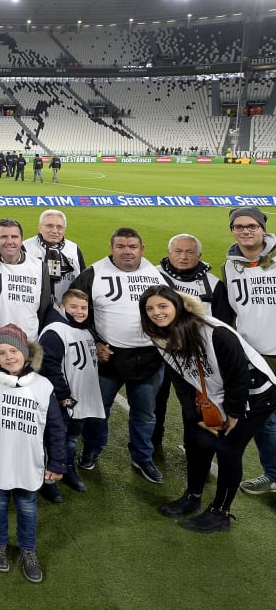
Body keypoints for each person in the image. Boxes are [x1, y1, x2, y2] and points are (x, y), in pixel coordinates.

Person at [139, 285, 276, 532]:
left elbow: (239, 376)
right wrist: (195, 416)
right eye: (149, 308)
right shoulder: (160, 334)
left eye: (162, 306)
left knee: (227, 449)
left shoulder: (215, 332)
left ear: (177, 306)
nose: (156, 313)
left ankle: (221, 512)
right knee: (196, 441)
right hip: (212, 393)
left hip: (256, 393)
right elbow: (181, 379)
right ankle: (193, 496)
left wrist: (234, 413)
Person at [69, 227, 170, 483]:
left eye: (132, 247)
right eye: (121, 246)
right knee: (97, 410)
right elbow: (73, 312)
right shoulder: (93, 273)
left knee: (145, 413)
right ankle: (92, 448)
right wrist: (94, 343)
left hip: (149, 358)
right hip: (108, 358)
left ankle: (142, 456)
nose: (127, 251)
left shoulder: (156, 275)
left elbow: (173, 313)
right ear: (111, 248)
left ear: (142, 249)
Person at [0, 324, 65, 582]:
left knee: (27, 506)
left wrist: (58, 462)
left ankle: (28, 550)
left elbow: (56, 429)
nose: (8, 357)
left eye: (14, 350)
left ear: (26, 353)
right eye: (1, 353)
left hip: (29, 461)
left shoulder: (43, 385)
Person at [154, 233, 232, 449]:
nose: (184, 256)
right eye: (178, 251)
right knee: (156, 402)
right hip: (158, 354)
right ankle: (153, 445)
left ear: (199, 255)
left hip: (195, 357)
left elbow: (221, 324)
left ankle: (196, 449)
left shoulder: (213, 284)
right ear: (169, 252)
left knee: (195, 404)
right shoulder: (152, 276)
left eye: (190, 252)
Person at [221, 206, 276, 496]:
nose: (245, 231)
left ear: (263, 229)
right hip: (254, 357)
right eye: (239, 226)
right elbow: (233, 311)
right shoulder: (230, 265)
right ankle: (273, 474)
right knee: (265, 421)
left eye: (252, 226)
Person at [37, 289, 105, 498]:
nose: (79, 311)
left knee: (72, 438)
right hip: (64, 401)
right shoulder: (55, 330)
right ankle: (47, 480)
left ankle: (67, 470)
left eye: (83, 308)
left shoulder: (85, 331)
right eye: (73, 307)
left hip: (80, 402)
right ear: (63, 307)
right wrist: (63, 396)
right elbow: (48, 366)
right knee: (54, 439)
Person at [0, 219, 51, 336]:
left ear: (21, 239)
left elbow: (44, 308)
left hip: (29, 345)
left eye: (14, 237)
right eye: (4, 237)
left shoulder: (40, 267)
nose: (9, 241)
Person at [23, 210, 86, 310]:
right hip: (32, 308)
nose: (55, 231)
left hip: (65, 310)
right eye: (49, 226)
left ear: (64, 229)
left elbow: (82, 283)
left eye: (59, 227)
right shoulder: (25, 248)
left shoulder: (74, 249)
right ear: (40, 227)